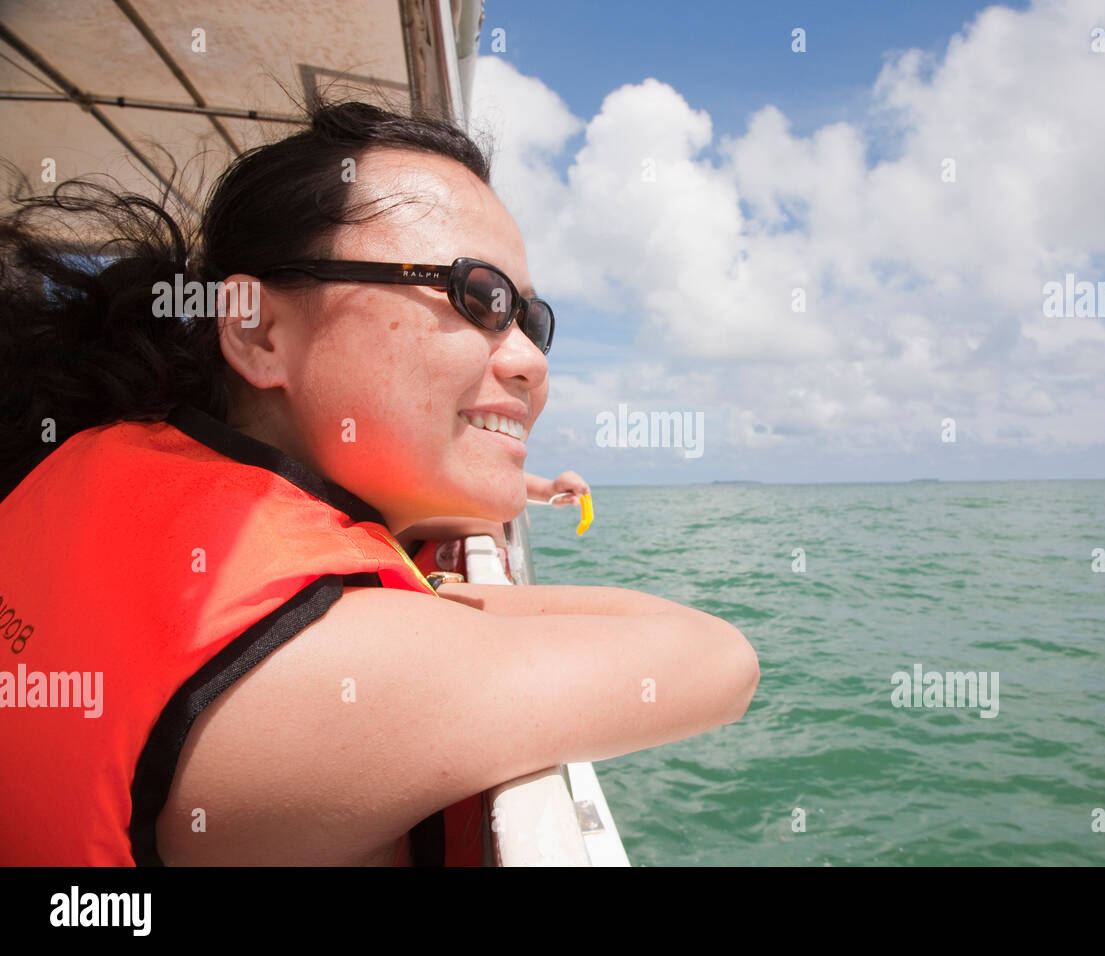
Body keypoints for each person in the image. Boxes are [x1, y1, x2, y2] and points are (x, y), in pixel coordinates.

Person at [0, 101, 759, 865]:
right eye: (480, 296)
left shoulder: (104, 453)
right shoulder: (319, 668)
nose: (531, 360)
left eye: (532, 318)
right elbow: (718, 657)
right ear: (258, 332)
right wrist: (464, 601)